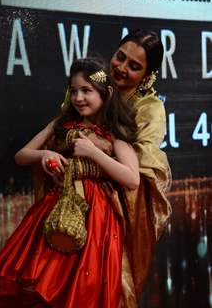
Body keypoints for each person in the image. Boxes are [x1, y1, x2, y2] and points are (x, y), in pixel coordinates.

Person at [0, 58, 140, 308]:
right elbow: (21, 156)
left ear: (105, 93)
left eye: (86, 90)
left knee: (82, 289)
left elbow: (132, 178)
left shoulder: (114, 132)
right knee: (43, 277)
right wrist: (45, 154)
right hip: (58, 205)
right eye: (73, 91)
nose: (78, 98)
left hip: (97, 217)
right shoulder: (61, 125)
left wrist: (94, 152)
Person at [62, 29, 172, 307]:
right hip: (72, 198)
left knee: (107, 287)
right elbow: (63, 125)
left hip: (116, 209)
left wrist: (103, 147)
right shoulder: (93, 83)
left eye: (134, 66)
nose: (121, 68)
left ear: (147, 75)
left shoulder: (150, 108)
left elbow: (142, 161)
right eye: (120, 57)